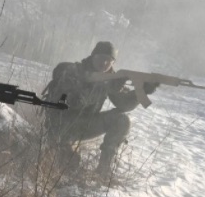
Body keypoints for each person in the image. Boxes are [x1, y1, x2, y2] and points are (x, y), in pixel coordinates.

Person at [41, 41, 159, 179]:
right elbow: (72, 103)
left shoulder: (110, 78)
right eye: (101, 58)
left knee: (121, 120)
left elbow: (124, 105)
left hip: (85, 125)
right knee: (69, 166)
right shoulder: (73, 72)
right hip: (61, 126)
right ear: (92, 57)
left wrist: (141, 92)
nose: (104, 63)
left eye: (109, 60)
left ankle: (104, 170)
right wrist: (102, 87)